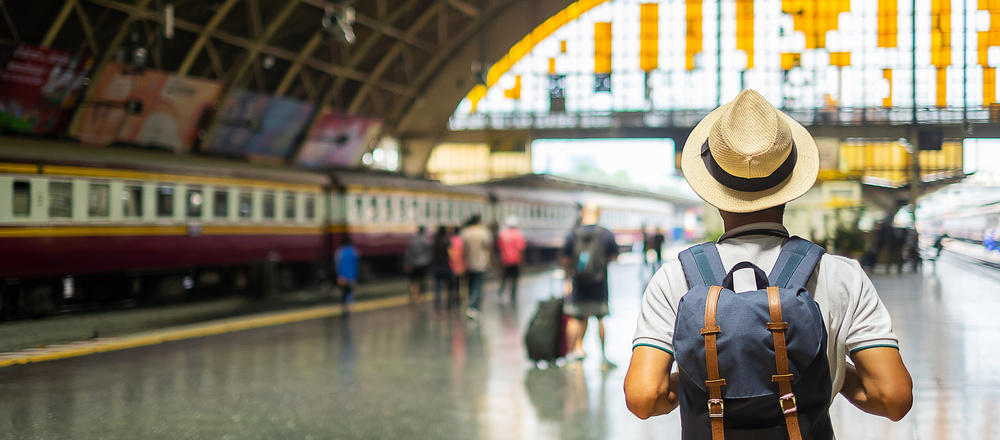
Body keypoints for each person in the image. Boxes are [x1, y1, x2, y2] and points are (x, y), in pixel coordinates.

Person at [624, 90, 912, 432]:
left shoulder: (676, 279)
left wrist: (703, 375)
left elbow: (643, 397)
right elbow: (892, 397)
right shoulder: (841, 274)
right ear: (790, 181)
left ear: (713, 185)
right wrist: (820, 366)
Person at [561, 202, 619, 368]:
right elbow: (614, 256)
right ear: (598, 214)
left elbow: (565, 259)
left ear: (583, 213)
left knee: (575, 318)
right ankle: (603, 357)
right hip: (599, 284)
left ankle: (571, 355)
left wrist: (568, 279)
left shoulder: (573, 234)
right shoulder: (606, 234)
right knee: (601, 319)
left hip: (578, 283)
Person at [460, 214, 493, 320]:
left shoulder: (465, 232)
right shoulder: (484, 232)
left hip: (468, 263)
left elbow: (462, 249)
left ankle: (471, 305)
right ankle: (474, 307)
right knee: (478, 286)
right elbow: (489, 247)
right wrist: (490, 261)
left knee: (470, 284)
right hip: (481, 263)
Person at [496, 215, 526, 303]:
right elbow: (520, 249)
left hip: (505, 261)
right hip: (515, 261)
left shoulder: (502, 234)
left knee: (504, 277)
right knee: (514, 279)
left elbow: (499, 247)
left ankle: (501, 292)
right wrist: (522, 261)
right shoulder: (518, 234)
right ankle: (513, 295)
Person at [403, 225, 432, 303]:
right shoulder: (426, 240)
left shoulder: (413, 240)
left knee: (413, 280)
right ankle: (420, 295)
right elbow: (429, 251)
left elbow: (408, 253)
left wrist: (407, 263)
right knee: (421, 279)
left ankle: (414, 294)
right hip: (424, 263)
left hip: (414, 263)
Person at [430, 225, 454, 315]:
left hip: (437, 268)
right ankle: (449, 308)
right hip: (446, 267)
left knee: (437, 289)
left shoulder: (435, 242)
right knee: (449, 289)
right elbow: (450, 255)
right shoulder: (447, 242)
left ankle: (437, 309)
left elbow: (432, 255)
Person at [334, 236, 359, 315]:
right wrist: (355, 276)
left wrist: (339, 275)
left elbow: (337, 265)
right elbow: (356, 265)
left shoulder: (339, 252)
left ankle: (343, 307)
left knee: (343, 292)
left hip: (342, 277)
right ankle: (348, 307)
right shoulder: (354, 252)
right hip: (351, 276)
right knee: (350, 291)